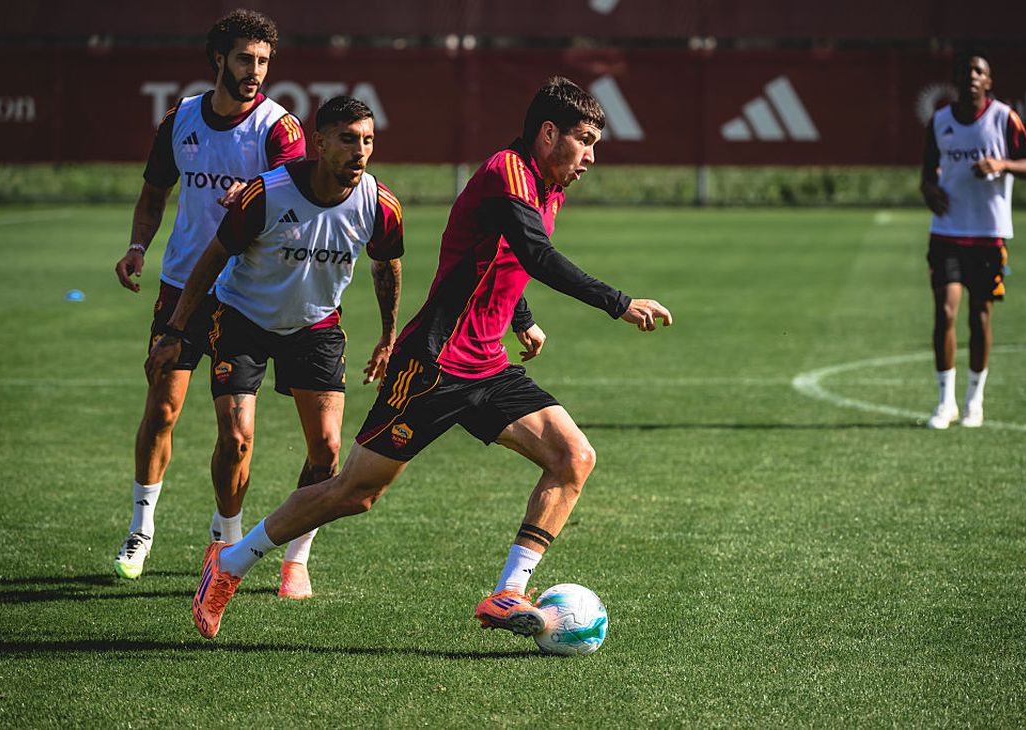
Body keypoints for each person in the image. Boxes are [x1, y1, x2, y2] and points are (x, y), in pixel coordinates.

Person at [187, 76, 671, 641]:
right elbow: (535, 253)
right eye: (584, 141)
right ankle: (233, 561)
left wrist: (520, 318)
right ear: (547, 133)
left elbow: (499, 256)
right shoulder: (507, 171)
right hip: (432, 365)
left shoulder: (548, 184)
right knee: (355, 493)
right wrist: (619, 303)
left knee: (573, 458)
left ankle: (508, 592)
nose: (591, 157)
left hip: (487, 365)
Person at [146, 97, 404, 600]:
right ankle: (226, 540)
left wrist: (388, 336)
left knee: (328, 451)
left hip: (315, 327)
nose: (360, 151)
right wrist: (175, 330)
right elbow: (213, 257)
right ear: (321, 141)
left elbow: (386, 265)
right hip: (242, 319)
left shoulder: (379, 203)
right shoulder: (267, 193)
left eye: (368, 140)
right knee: (236, 439)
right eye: (349, 139)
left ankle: (297, 557)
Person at [112, 9, 306, 580]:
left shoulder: (279, 128)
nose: (255, 71)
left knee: (237, 435)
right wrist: (137, 247)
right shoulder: (182, 119)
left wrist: (258, 197)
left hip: (243, 296)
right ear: (218, 59)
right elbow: (153, 195)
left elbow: (298, 201)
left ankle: (224, 539)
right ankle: (140, 530)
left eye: (264, 61)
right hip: (178, 288)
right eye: (245, 59)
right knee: (162, 408)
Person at [920, 51, 1026, 429]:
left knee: (980, 315)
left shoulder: (1004, 118)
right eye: (965, 71)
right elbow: (927, 173)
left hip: (989, 234)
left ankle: (975, 400)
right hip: (947, 231)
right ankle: (945, 403)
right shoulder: (940, 121)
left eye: (979, 71)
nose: (971, 76)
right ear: (955, 79)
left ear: (989, 81)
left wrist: (1002, 164)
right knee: (946, 312)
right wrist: (928, 190)